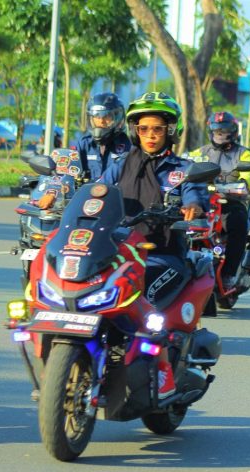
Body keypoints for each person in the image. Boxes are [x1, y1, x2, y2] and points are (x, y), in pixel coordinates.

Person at [100, 91, 208, 399]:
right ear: (135, 131)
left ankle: (163, 376)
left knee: (143, 304)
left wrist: (192, 207)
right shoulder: (120, 165)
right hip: (120, 251)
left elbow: (193, 195)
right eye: (144, 129)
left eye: (158, 129)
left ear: (170, 132)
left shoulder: (182, 169)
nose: (150, 135)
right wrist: (63, 197)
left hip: (162, 255)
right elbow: (98, 190)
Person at [185, 111, 250, 290]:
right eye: (217, 131)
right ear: (211, 132)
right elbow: (184, 166)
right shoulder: (200, 152)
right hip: (203, 201)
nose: (221, 135)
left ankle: (228, 273)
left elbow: (249, 175)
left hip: (231, 201)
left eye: (225, 131)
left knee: (237, 224)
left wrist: (241, 183)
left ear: (234, 132)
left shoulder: (243, 154)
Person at [78, 92, 132, 180]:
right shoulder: (83, 144)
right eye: (97, 116)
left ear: (117, 118)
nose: (101, 121)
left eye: (106, 116)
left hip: (116, 193)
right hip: (87, 193)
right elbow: (70, 172)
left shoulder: (128, 146)